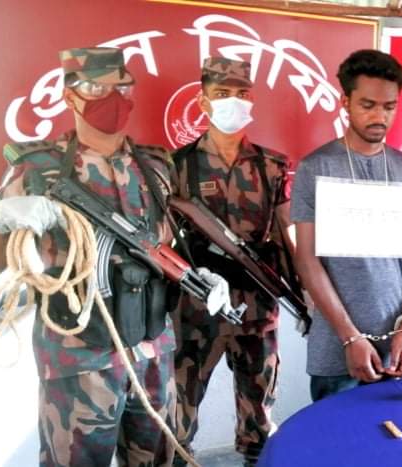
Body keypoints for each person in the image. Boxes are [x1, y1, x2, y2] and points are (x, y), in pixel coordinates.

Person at [0, 47, 230, 466]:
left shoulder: (156, 166)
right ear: (70, 96)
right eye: (97, 88)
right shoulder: (35, 167)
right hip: (78, 359)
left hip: (152, 350)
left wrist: (202, 273)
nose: (113, 97)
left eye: (122, 87)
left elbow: (165, 246)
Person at [169, 57, 293, 467]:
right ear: (203, 101)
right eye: (222, 94)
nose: (233, 102)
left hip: (256, 308)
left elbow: (287, 238)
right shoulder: (177, 165)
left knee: (260, 418)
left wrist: (302, 296)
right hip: (195, 309)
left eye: (241, 94)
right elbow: (163, 239)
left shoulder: (272, 166)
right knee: (178, 415)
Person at [291, 49, 402, 401]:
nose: (380, 116)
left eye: (389, 107)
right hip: (337, 352)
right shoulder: (316, 167)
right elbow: (307, 260)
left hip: (398, 349)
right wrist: (349, 336)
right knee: (338, 437)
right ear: (346, 103)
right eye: (368, 105)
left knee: (400, 436)